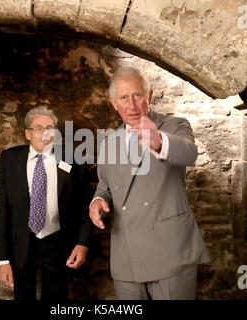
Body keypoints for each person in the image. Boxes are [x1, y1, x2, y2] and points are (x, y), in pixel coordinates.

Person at [89, 67, 210, 300]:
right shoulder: (109, 142)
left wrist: (159, 142)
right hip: (126, 256)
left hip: (170, 252)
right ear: (114, 103)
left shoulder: (174, 126)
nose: (132, 105)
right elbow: (105, 186)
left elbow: (189, 153)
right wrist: (98, 200)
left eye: (137, 96)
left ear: (150, 96)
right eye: (124, 98)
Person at [0, 106, 92, 300]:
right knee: (23, 295)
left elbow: (85, 206)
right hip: (21, 240)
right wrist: (3, 260)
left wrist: (83, 243)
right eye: (39, 128)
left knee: (56, 297)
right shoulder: (9, 159)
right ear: (27, 134)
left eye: (50, 128)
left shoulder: (73, 159)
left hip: (58, 240)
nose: (45, 133)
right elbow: (3, 211)